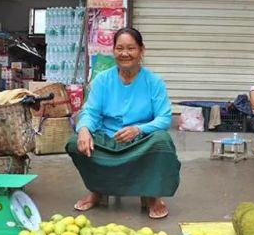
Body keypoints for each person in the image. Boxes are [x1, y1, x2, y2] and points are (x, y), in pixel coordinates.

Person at [66, 27, 180, 219]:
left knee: (162, 141)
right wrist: (84, 129)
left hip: (140, 141)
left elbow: (164, 118)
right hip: (108, 140)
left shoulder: (154, 82)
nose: (125, 53)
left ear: (141, 51)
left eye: (131, 48)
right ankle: (98, 191)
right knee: (75, 142)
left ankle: (151, 194)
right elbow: (90, 112)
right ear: (113, 51)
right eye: (120, 48)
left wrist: (139, 129)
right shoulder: (102, 80)